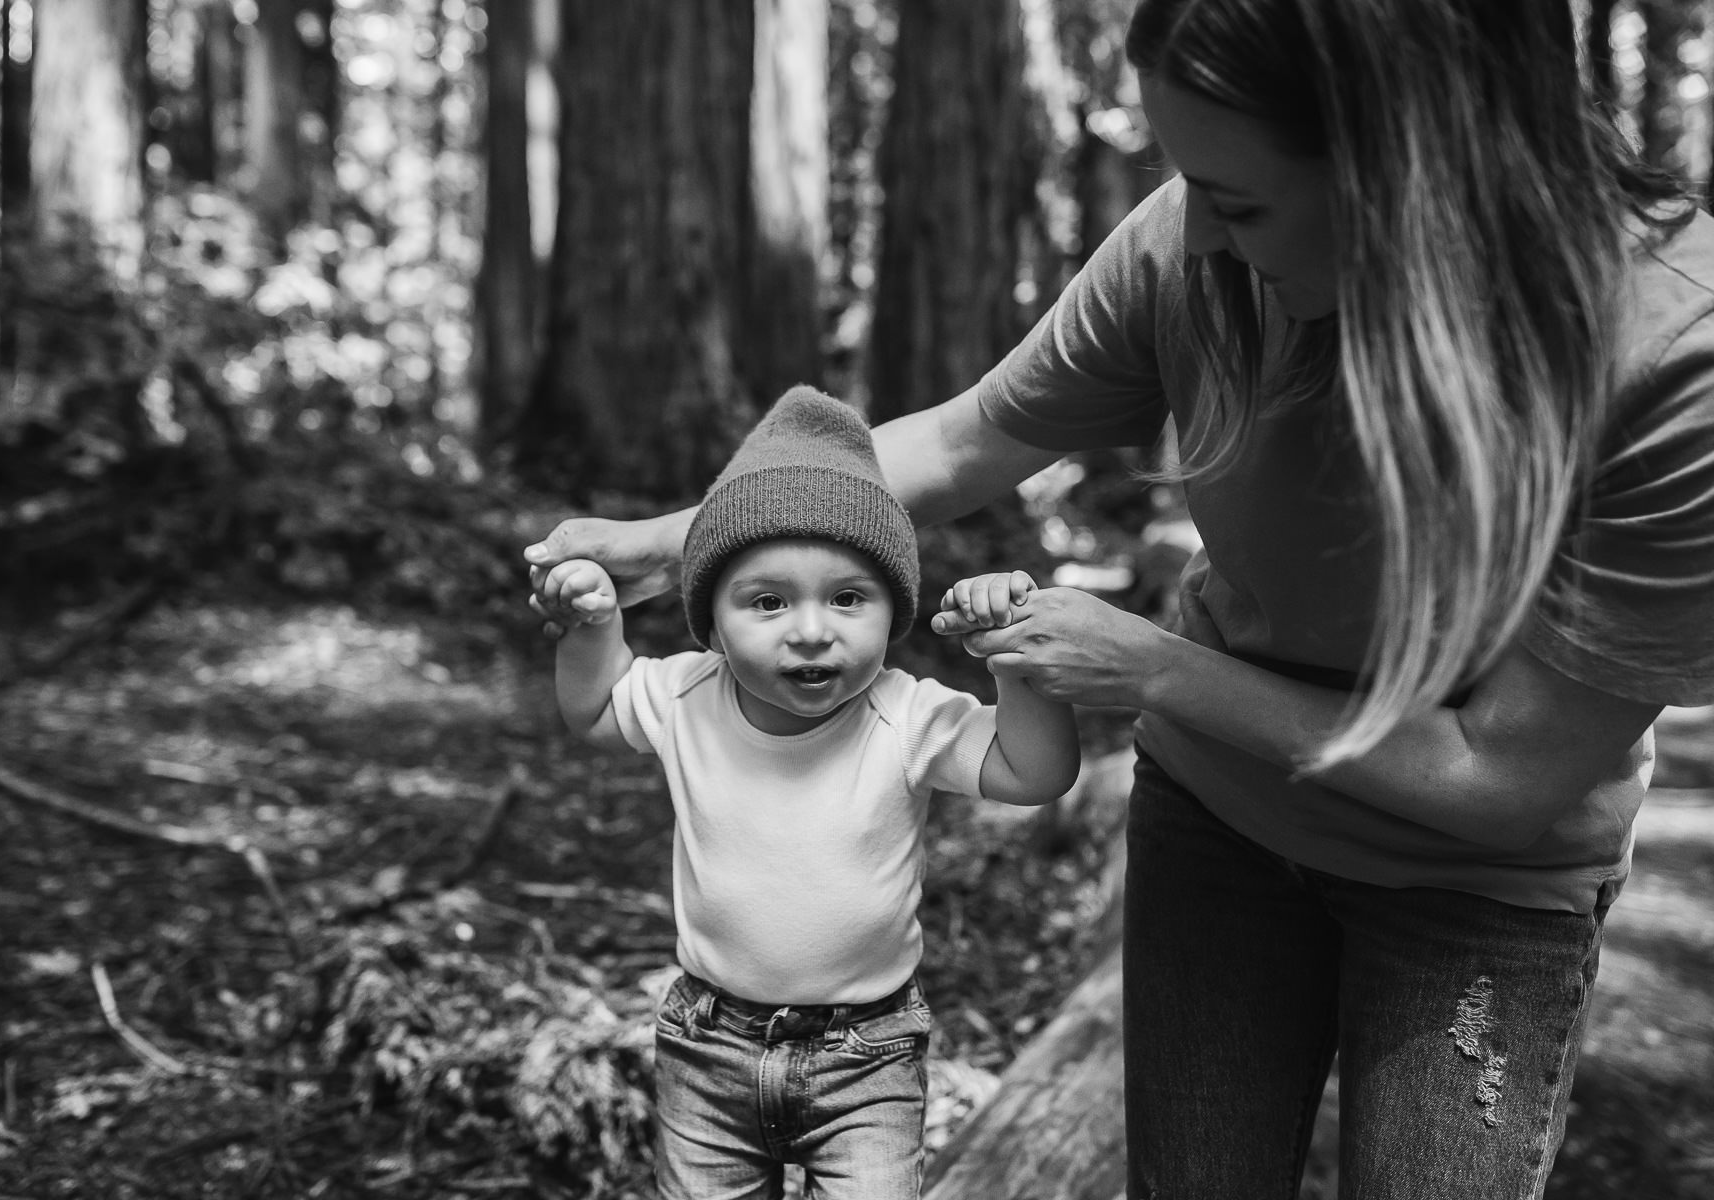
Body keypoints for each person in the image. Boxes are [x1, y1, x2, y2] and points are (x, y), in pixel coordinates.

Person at [529, 2, 1714, 1194]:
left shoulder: (1671, 353)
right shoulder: (1194, 243)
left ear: (1413, 171)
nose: (1194, 228)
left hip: (1480, 893)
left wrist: (1155, 670)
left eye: (1241, 201)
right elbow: (973, 435)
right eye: (1188, 180)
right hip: (1224, 827)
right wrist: (676, 544)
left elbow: (1503, 779)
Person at [534, 386, 1080, 1200]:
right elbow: (596, 707)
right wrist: (593, 626)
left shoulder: (904, 715)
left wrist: (1015, 658)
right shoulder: (689, 697)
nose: (813, 629)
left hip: (868, 1055)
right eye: (768, 602)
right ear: (711, 623)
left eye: (848, 598)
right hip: (707, 1045)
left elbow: (1033, 772)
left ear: (893, 610)